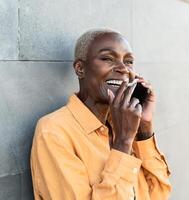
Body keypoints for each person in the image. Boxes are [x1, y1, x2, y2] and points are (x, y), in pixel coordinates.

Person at [30, 28, 171, 200]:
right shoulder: (54, 131)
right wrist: (123, 143)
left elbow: (159, 194)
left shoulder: (127, 122)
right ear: (80, 69)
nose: (123, 69)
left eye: (129, 62)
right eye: (107, 58)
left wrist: (144, 129)